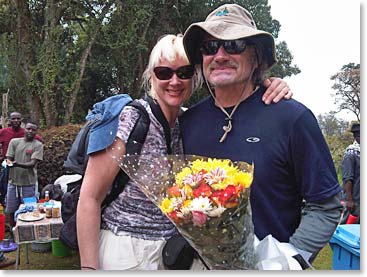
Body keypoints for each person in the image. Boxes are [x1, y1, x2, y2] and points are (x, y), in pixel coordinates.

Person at [76, 34, 292, 270]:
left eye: (184, 72)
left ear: (195, 76)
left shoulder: (186, 122)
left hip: (172, 252)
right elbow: (89, 198)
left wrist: (269, 84)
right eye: (164, 73)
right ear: (151, 75)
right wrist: (89, 268)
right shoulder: (131, 119)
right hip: (125, 249)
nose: (175, 81)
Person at [180, 3, 342, 268]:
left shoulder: (292, 118)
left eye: (233, 45)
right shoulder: (186, 123)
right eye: (210, 47)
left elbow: (326, 205)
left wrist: (291, 259)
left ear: (256, 57)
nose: (220, 55)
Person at [4, 122, 44, 228]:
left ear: (36, 132)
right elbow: (9, 158)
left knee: (29, 210)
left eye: (33, 130)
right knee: (11, 210)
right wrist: (8, 162)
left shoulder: (38, 145)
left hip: (28, 184)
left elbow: (32, 163)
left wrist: (17, 164)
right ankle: (14, 234)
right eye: (28, 129)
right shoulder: (14, 142)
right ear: (24, 129)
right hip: (13, 183)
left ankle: (27, 233)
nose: (30, 131)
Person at [0, 112, 42, 206]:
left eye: (18, 118)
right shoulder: (4, 132)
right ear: (10, 120)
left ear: (21, 120)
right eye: (13, 118)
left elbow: (37, 143)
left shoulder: (32, 138)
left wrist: (17, 163)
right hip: (9, 167)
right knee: (5, 190)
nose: (16, 120)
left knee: (29, 203)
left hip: (26, 174)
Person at [340, 123, 360, 224]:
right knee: (347, 229)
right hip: (354, 202)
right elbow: (348, 178)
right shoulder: (351, 153)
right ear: (356, 137)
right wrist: (349, 200)